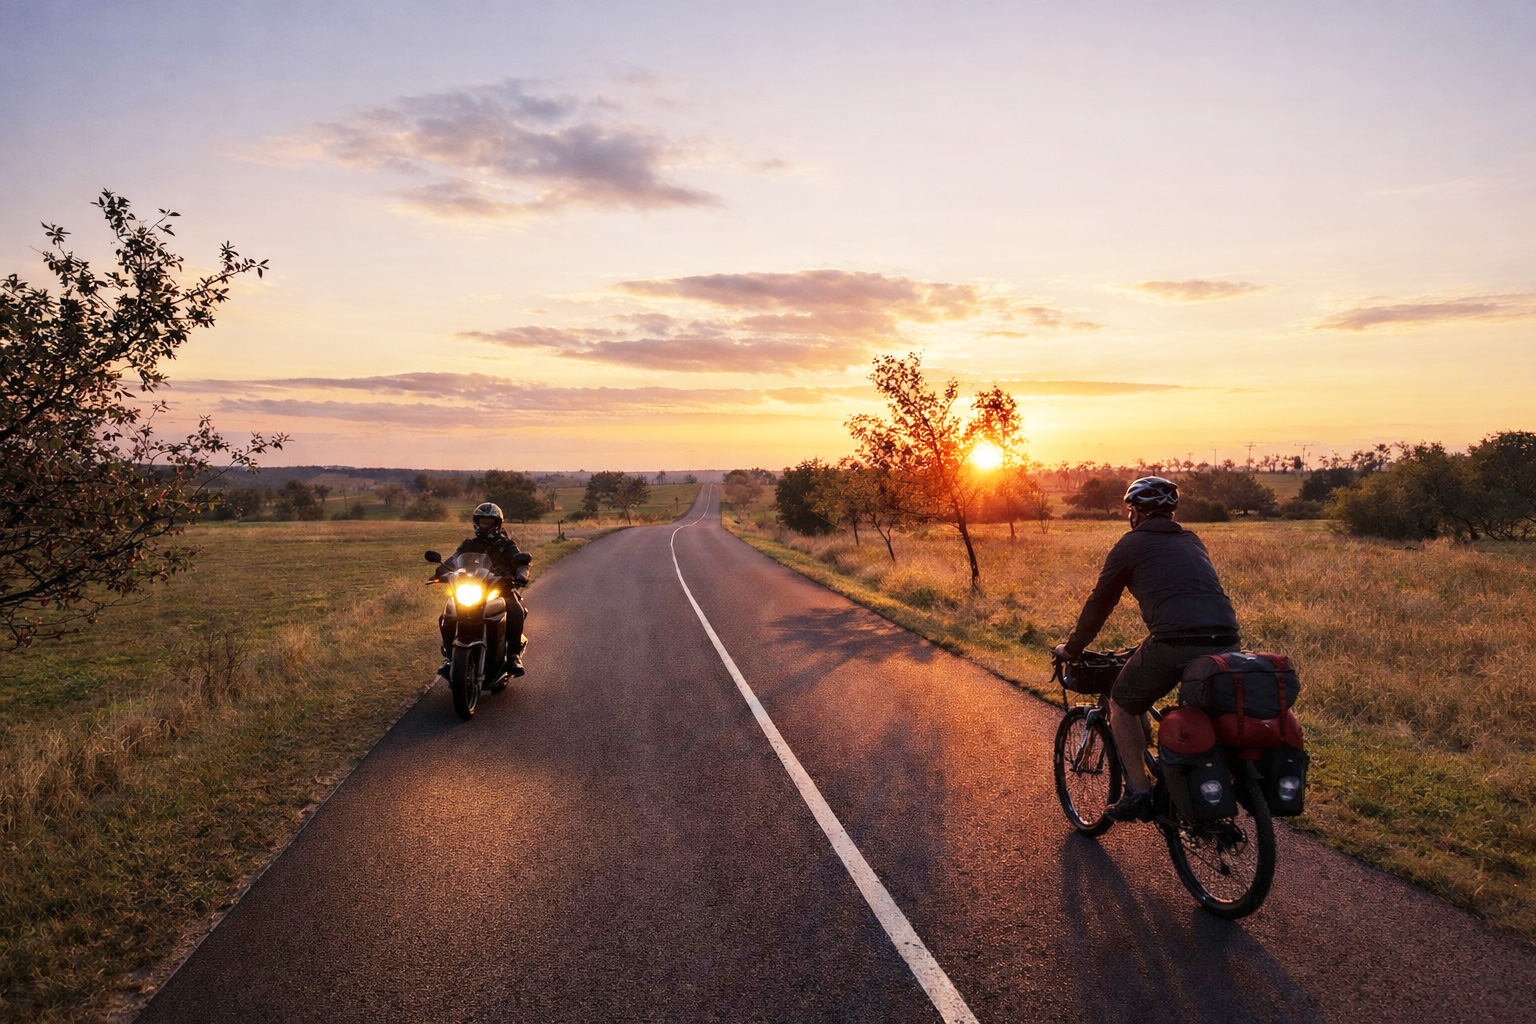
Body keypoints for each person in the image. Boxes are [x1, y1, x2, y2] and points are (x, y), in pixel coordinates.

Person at [1055, 477, 1240, 822]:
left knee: (1123, 704)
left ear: (1137, 512)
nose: (1131, 515)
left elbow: (1100, 602)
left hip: (1174, 643)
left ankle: (1139, 793)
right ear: (1169, 512)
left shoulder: (1131, 544)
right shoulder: (1192, 539)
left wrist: (1074, 646)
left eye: (1131, 509)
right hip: (1228, 641)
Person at [438, 502, 530, 681]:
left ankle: (513, 657)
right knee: (446, 615)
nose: (484, 525)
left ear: (497, 524)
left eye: (488, 522)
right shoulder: (469, 544)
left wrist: (521, 575)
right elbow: (454, 558)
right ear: (476, 523)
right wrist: (442, 570)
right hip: (471, 588)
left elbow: (520, 563)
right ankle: (450, 658)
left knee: (516, 611)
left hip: (501, 588)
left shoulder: (507, 545)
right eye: (482, 521)